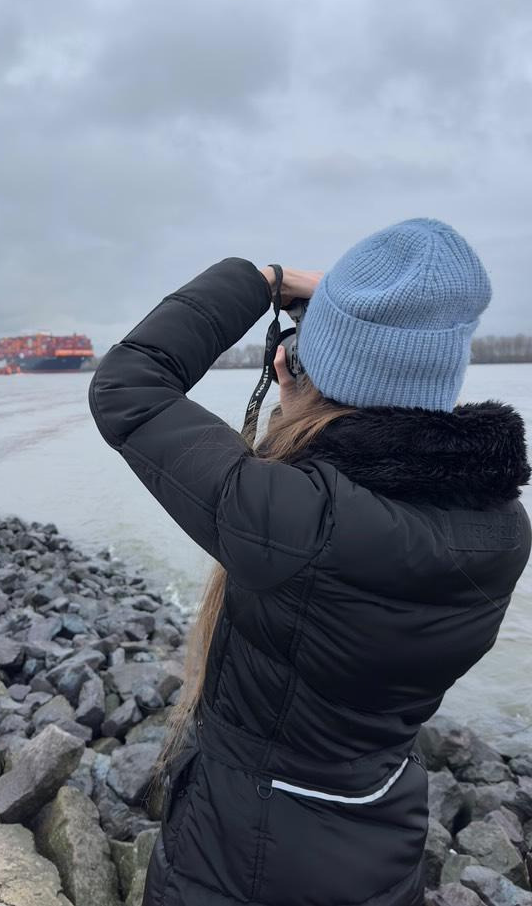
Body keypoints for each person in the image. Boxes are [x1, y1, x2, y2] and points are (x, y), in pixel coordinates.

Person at [88, 217, 531, 906]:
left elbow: (127, 384)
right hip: (383, 841)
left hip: (239, 863)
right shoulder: (501, 527)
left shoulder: (299, 521)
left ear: (297, 371)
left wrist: (263, 281)